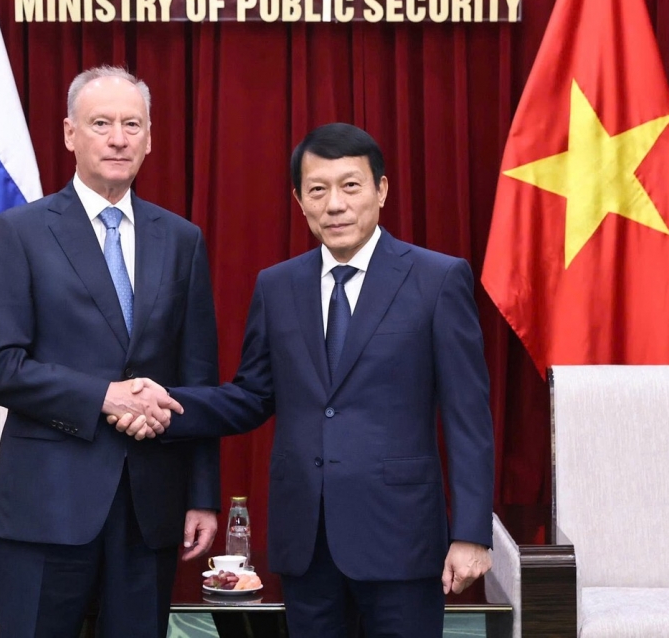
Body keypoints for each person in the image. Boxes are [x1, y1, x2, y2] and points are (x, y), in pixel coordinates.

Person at [113, 123, 494, 637]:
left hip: (402, 536)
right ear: (300, 200)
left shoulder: (437, 279)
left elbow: (468, 415)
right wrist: (167, 404)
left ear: (381, 190)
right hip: (305, 539)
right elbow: (251, 396)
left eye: (350, 186)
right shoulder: (277, 285)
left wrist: (472, 533)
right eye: (318, 190)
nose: (334, 204)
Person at [0, 66, 221, 638]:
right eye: (101, 123)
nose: (118, 138)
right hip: (46, 505)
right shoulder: (19, 232)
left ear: (150, 136)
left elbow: (198, 377)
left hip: (150, 507)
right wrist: (105, 397)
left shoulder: (181, 239)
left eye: (132, 124)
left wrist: (202, 496)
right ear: (69, 134)